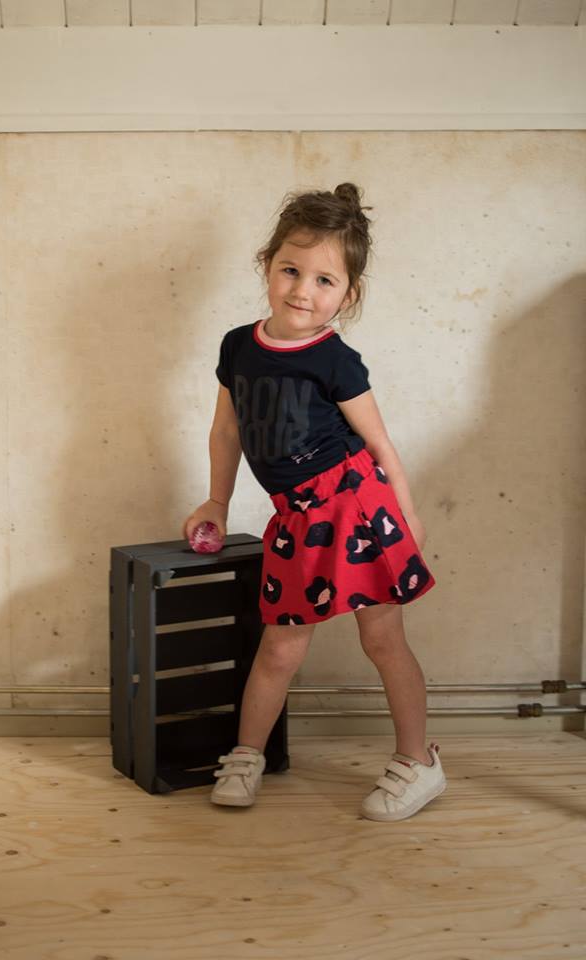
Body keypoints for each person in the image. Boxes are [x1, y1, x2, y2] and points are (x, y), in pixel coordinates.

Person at [182, 182, 446, 821]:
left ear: (347, 295)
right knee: (280, 648)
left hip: (357, 509)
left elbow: (378, 444)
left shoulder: (336, 360)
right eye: (291, 270)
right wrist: (217, 501)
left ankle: (419, 761)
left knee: (382, 640)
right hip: (298, 519)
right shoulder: (238, 346)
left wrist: (408, 518)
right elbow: (226, 431)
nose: (303, 290)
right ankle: (247, 755)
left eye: (325, 280)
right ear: (266, 265)